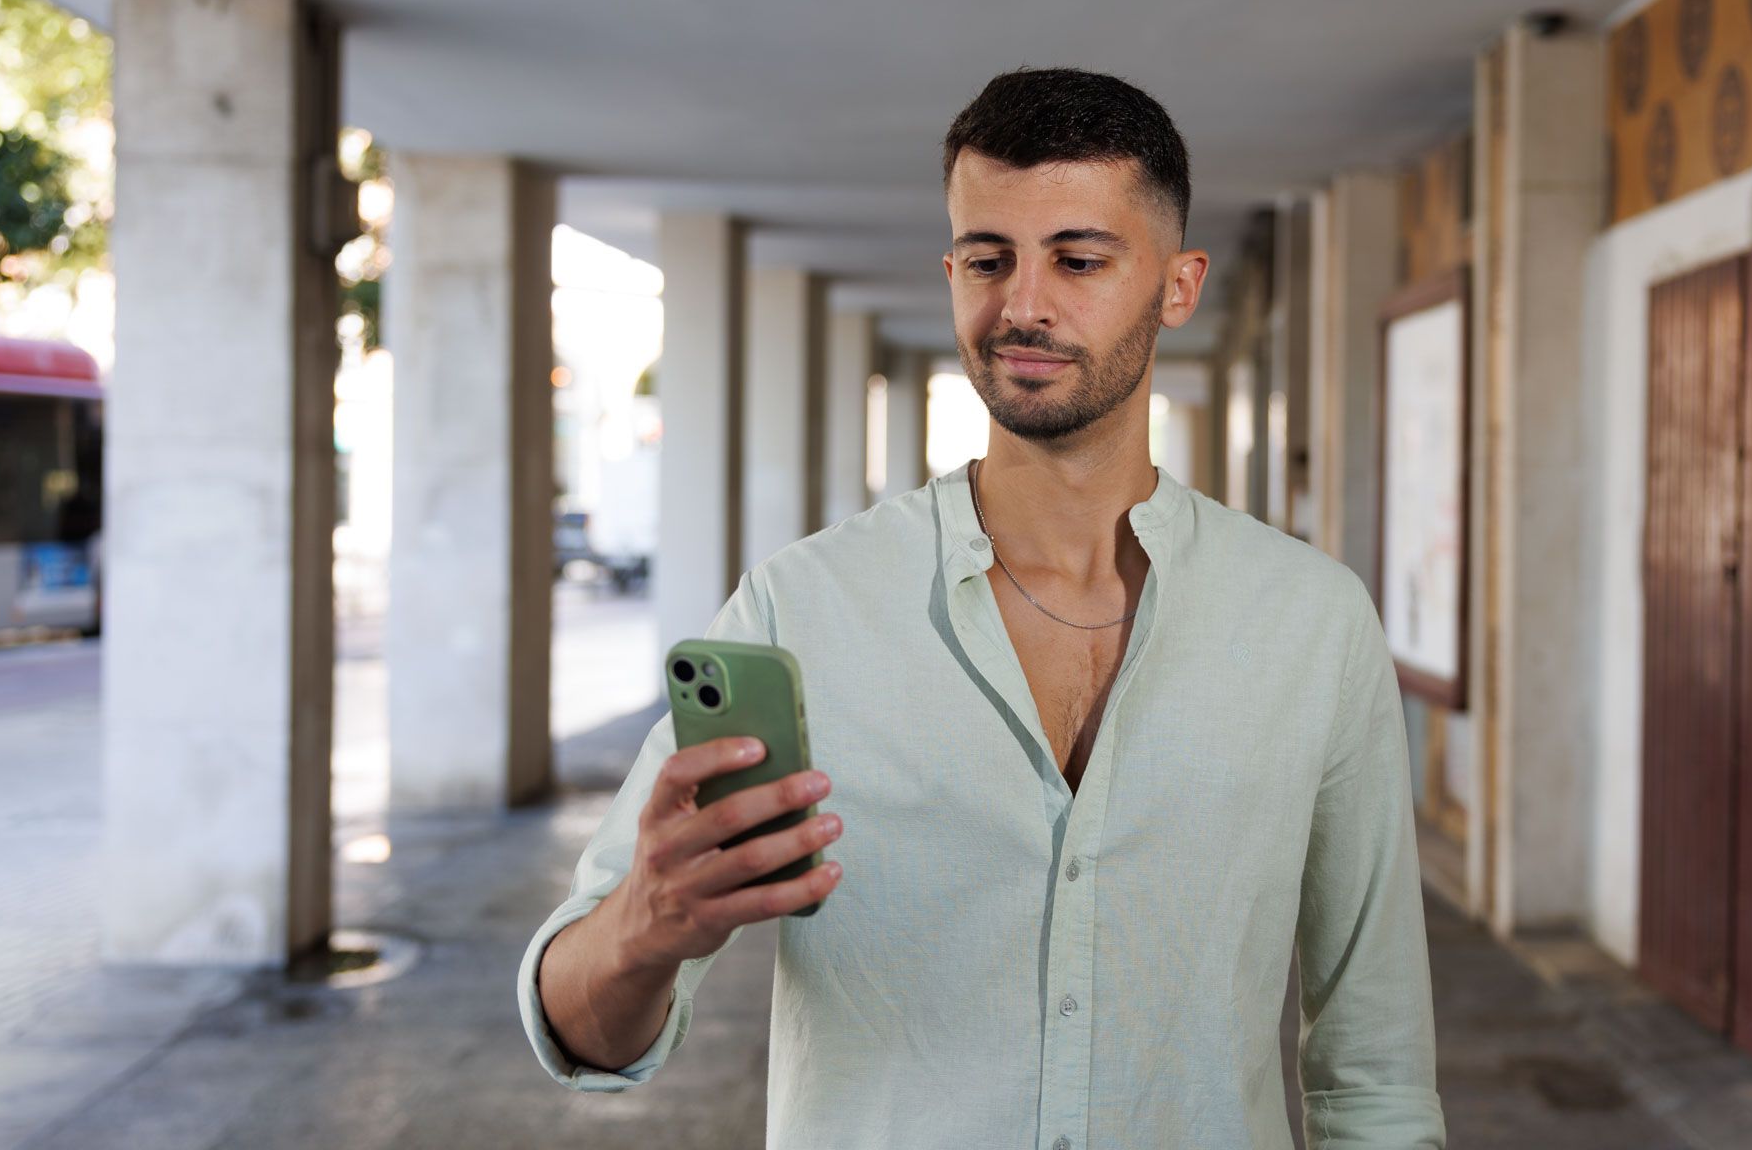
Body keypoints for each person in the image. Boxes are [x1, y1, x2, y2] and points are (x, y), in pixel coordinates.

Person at [519, 66, 1445, 1149]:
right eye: (987, 258)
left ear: (1179, 285)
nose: (1023, 306)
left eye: (1080, 259)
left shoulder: (1312, 625)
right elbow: (578, 1025)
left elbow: (1374, 1069)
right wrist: (645, 927)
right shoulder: (800, 610)